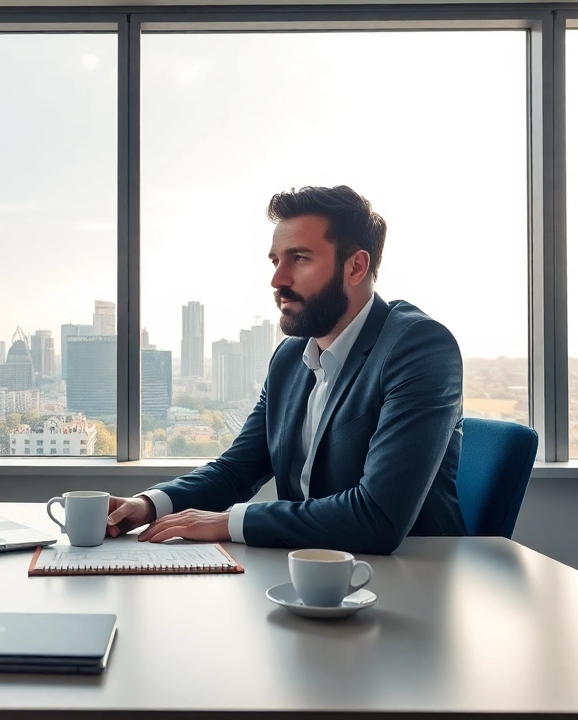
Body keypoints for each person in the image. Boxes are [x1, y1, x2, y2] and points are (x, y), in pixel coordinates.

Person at [107, 185, 466, 553]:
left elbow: (377, 517)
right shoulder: (289, 358)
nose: (278, 280)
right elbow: (237, 469)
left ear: (356, 266)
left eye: (299, 258)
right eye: (276, 261)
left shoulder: (419, 347)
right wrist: (146, 505)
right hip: (307, 572)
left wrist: (227, 522)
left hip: (413, 578)